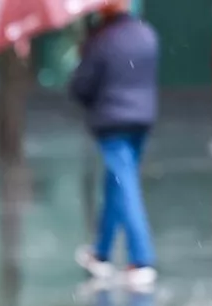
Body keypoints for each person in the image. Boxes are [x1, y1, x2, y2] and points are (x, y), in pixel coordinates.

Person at [70, 0, 160, 289]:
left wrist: (84, 53)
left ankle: (141, 259)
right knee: (116, 183)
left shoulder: (101, 40)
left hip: (112, 122)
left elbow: (81, 87)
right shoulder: (147, 35)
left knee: (126, 185)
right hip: (142, 120)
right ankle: (101, 252)